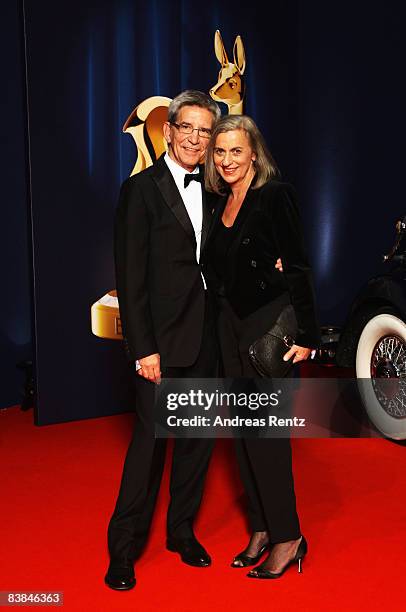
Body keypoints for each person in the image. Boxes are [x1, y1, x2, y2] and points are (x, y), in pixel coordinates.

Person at [105, 90, 221, 590]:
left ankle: (181, 533)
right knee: (150, 446)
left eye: (205, 130)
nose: (196, 138)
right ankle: (123, 548)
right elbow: (130, 280)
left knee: (196, 443)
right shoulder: (141, 190)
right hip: (161, 344)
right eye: (188, 127)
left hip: (209, 338)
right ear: (168, 131)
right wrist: (143, 348)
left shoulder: (217, 190)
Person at [203, 115, 320, 579]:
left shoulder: (276, 196)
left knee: (267, 439)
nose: (228, 160)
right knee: (243, 437)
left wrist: (309, 337)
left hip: (267, 328)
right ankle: (259, 527)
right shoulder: (219, 202)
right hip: (228, 328)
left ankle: (288, 536)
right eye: (220, 152)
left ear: (254, 153)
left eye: (236, 150)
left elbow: (299, 268)